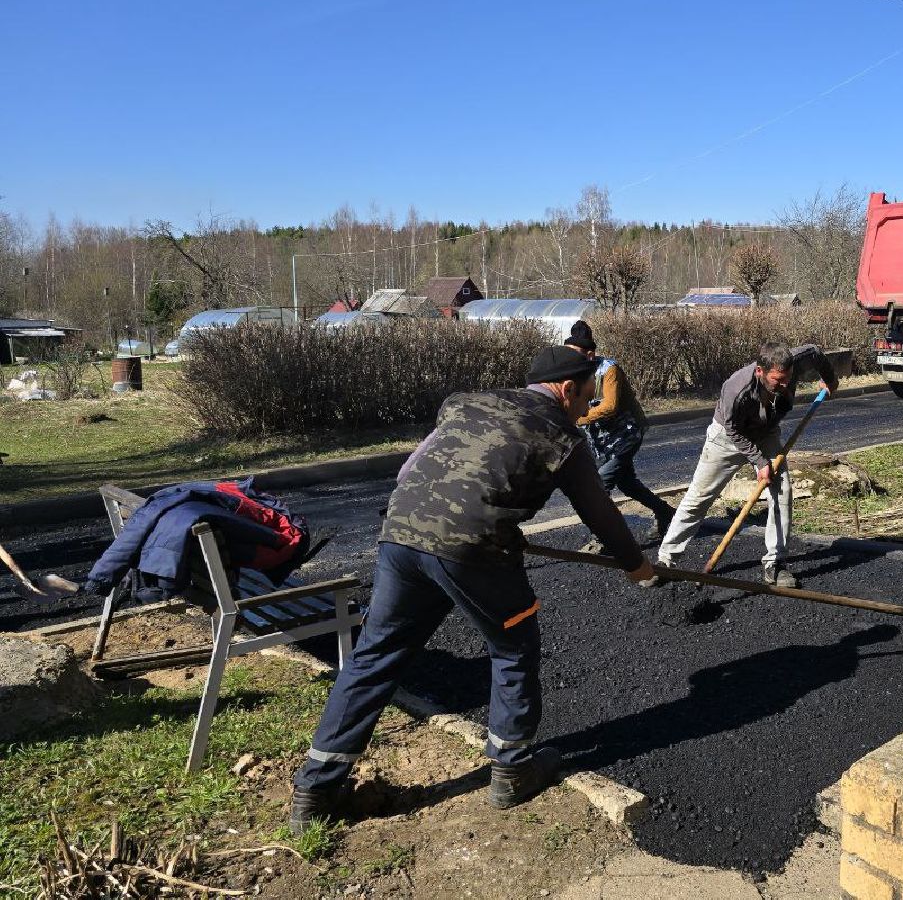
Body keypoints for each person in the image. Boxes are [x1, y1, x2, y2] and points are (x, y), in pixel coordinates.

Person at [289, 345, 655, 832]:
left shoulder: (467, 403)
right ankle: (513, 768)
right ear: (567, 390)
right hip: (473, 551)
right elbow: (598, 510)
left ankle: (316, 789)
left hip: (400, 534)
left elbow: (410, 471)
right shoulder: (559, 432)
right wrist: (634, 564)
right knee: (513, 648)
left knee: (375, 655)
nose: (587, 408)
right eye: (586, 397)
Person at [655, 341, 838, 588]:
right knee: (698, 497)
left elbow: (816, 353)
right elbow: (732, 429)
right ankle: (666, 560)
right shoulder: (736, 387)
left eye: (788, 379)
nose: (785, 385)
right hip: (727, 438)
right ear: (760, 372)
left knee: (782, 492)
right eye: (777, 381)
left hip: (766, 433)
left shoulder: (795, 361)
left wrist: (830, 380)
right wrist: (760, 462)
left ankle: (774, 563)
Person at [564, 320, 674, 540]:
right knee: (628, 484)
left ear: (590, 354)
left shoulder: (609, 370)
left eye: (574, 353)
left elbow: (610, 406)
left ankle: (605, 540)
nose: (570, 359)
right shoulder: (574, 373)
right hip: (603, 441)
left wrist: (578, 418)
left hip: (625, 436)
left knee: (600, 488)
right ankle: (666, 513)